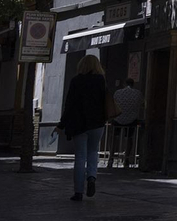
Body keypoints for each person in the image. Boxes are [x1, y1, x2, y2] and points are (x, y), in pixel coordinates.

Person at [60, 55, 113, 201]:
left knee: (80, 156)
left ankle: (78, 192)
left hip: (79, 124)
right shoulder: (101, 80)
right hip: (97, 123)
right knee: (93, 151)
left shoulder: (76, 81)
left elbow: (69, 104)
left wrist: (61, 124)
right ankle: (91, 177)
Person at [110, 77, 143, 169]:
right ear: (133, 84)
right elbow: (141, 104)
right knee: (129, 138)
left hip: (118, 118)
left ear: (124, 84)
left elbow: (113, 103)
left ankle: (111, 158)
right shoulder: (138, 93)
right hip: (131, 120)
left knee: (114, 137)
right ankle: (127, 159)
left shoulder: (118, 92)